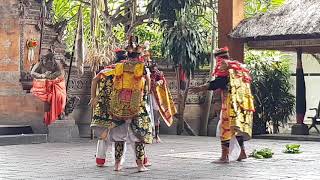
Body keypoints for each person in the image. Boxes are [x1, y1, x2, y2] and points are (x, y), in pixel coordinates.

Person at [189, 47, 255, 163]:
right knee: (236, 128)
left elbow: (219, 82)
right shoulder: (238, 67)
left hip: (230, 103)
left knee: (224, 128)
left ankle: (225, 156)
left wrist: (201, 88)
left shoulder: (223, 65)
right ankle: (242, 153)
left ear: (218, 58)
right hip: (241, 104)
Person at [31, 50, 66, 125]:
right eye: (47, 59)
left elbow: (60, 73)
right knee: (46, 97)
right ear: (43, 59)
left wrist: (50, 76)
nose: (49, 61)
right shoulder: (39, 64)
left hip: (53, 85)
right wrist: (42, 75)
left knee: (59, 95)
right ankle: (47, 115)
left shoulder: (56, 64)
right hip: (42, 85)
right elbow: (32, 73)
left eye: (51, 59)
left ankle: (59, 111)